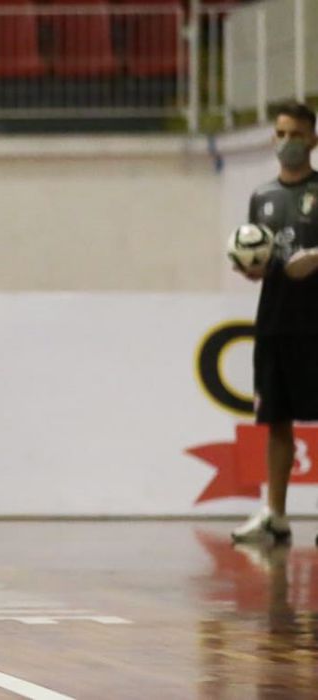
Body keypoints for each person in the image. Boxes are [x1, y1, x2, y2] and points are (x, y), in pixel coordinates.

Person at [231, 102, 318, 546]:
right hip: (275, 323)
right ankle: (275, 516)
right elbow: (260, 254)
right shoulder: (262, 197)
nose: (287, 143)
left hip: (316, 325)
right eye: (281, 134)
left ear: (314, 140)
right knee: (276, 419)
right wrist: (253, 268)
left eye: (297, 135)